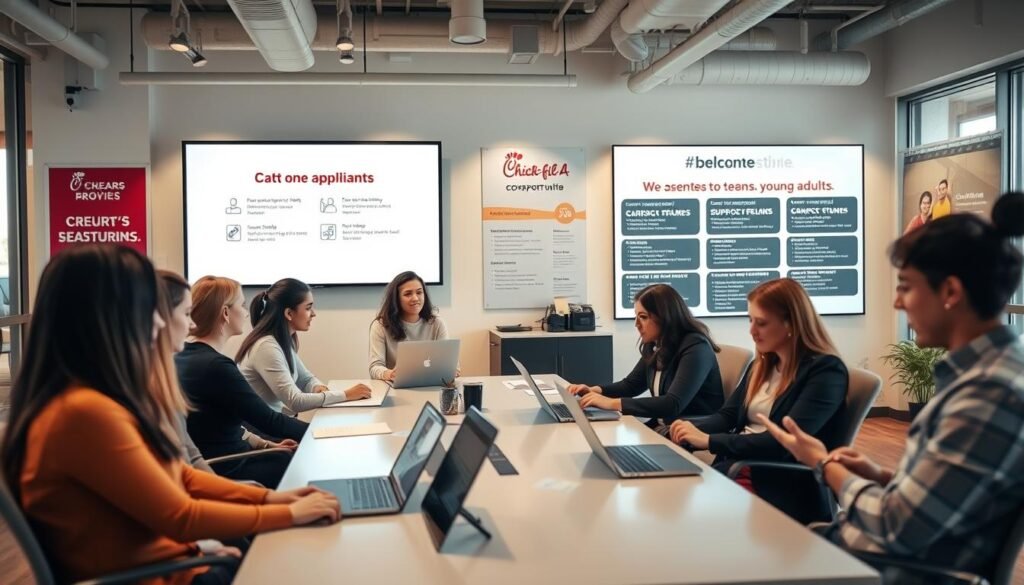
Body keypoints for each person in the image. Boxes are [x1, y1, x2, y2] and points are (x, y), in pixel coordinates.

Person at [0, 244, 340, 585]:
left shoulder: (94, 399)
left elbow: (182, 475)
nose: (161, 320)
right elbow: (180, 515)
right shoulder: (84, 413)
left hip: (174, 562)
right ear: (112, 316)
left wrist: (274, 499)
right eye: (150, 308)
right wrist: (287, 513)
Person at [760, 192, 1024, 583]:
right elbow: (945, 502)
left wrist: (825, 463)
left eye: (905, 287)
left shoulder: (989, 392)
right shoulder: (985, 375)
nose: (897, 303)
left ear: (950, 292)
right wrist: (881, 477)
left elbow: (895, 525)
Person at [669, 278, 848, 523]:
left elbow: (782, 443)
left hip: (779, 483)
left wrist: (708, 441)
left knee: (684, 512)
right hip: (742, 467)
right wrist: (690, 429)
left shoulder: (826, 372)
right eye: (750, 320)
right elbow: (728, 415)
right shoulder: (762, 365)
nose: (752, 331)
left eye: (761, 323)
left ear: (792, 325)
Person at [175, 275, 310, 488]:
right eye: (242, 305)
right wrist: (318, 431)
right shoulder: (216, 366)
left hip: (219, 459)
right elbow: (270, 421)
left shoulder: (182, 357)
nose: (247, 312)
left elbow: (220, 425)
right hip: (228, 467)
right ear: (226, 313)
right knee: (301, 462)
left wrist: (267, 445)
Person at [566, 284, 724, 426]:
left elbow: (673, 404)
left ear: (665, 317)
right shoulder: (656, 344)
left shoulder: (696, 348)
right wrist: (594, 390)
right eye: (636, 316)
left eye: (643, 317)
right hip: (665, 425)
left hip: (691, 430)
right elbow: (631, 385)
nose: (636, 324)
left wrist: (612, 403)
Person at [237, 278, 371, 415]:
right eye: (308, 308)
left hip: (276, 420)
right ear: (289, 313)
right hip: (264, 429)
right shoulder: (266, 347)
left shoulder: (282, 341)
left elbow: (305, 379)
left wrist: (318, 388)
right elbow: (295, 402)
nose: (313, 314)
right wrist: (345, 395)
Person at [369, 271, 453, 381]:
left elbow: (447, 361)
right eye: (408, 294)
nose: (415, 298)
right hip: (394, 388)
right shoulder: (380, 326)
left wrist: (451, 369)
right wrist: (389, 374)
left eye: (419, 292)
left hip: (431, 385)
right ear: (396, 299)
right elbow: (374, 367)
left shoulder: (437, 324)